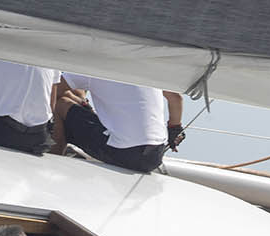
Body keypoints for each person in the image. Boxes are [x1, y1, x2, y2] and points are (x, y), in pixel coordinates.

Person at [52, 72, 184, 173]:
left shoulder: (93, 66)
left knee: (60, 104)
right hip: (155, 155)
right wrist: (174, 128)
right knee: (71, 98)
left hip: (123, 153)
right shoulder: (151, 69)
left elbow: (52, 91)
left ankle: (51, 160)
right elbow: (176, 98)